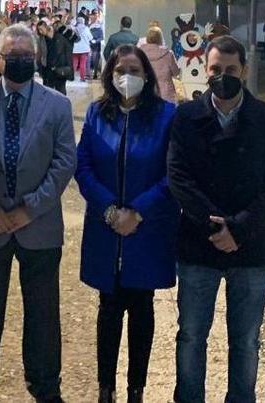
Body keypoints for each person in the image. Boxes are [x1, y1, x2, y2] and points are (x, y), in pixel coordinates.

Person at [0, 24, 76, 403]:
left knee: (42, 313)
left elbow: (64, 161)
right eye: (12, 55)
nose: (18, 61)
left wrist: (30, 208)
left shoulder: (57, 105)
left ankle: (45, 386)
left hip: (37, 226)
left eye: (26, 55)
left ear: (36, 57)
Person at [166, 36, 265, 403]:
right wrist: (213, 225)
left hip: (250, 244)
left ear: (244, 71)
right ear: (205, 70)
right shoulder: (186, 117)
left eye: (231, 70)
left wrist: (237, 227)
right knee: (190, 335)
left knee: (247, 340)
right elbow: (178, 176)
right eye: (216, 70)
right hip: (199, 242)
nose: (223, 76)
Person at [76, 45, 178, 403]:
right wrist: (108, 210)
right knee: (108, 308)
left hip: (146, 227)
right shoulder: (96, 114)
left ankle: (137, 388)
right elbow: (83, 166)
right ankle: (106, 387)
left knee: (141, 308)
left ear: (147, 75)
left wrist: (137, 211)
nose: (127, 76)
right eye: (121, 69)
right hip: (106, 228)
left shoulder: (167, 116)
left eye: (134, 69)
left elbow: (172, 173)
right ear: (110, 73)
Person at [139, 27, 181, 103]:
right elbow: (176, 73)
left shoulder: (140, 54)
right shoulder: (168, 54)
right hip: (166, 94)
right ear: (160, 38)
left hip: (147, 93)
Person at [43, 21, 75, 95]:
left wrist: (53, 66)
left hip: (58, 67)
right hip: (63, 66)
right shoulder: (66, 37)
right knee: (61, 88)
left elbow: (57, 53)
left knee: (57, 88)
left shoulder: (58, 38)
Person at [73, 16, 93, 82]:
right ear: (83, 22)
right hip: (84, 49)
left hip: (75, 49)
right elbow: (90, 38)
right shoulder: (86, 28)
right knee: (83, 64)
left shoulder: (74, 28)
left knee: (74, 63)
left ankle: (72, 76)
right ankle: (82, 78)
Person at [89, 11, 106, 79]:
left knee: (94, 60)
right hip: (93, 46)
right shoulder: (91, 26)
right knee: (93, 60)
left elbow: (101, 37)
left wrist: (94, 41)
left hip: (95, 47)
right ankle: (92, 73)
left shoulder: (97, 27)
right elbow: (101, 37)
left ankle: (94, 73)